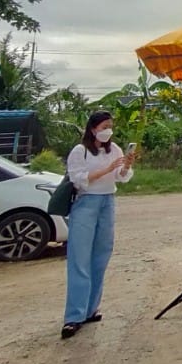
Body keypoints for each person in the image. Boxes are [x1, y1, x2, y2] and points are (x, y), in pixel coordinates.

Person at [61, 110, 136, 339]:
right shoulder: (80, 151)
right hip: (86, 202)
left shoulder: (114, 149)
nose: (107, 131)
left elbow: (121, 177)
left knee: (101, 255)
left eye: (110, 126)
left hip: (107, 201)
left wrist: (125, 166)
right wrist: (107, 168)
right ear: (93, 129)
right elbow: (79, 178)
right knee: (80, 257)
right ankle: (74, 316)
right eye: (104, 127)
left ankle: (91, 309)